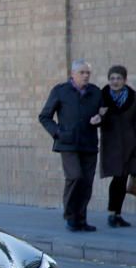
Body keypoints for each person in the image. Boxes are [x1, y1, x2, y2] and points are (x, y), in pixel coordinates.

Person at [39, 60, 104, 232]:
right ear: (73, 74)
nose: (85, 76)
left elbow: (104, 113)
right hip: (68, 143)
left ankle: (81, 219)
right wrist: (58, 133)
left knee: (87, 183)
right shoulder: (60, 91)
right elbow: (44, 116)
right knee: (75, 177)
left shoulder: (95, 92)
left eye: (88, 73)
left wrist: (100, 119)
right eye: (82, 72)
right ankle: (70, 216)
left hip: (89, 144)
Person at [99, 65, 136, 227]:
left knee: (124, 179)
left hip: (132, 145)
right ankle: (113, 214)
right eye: (112, 78)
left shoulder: (133, 97)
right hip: (112, 145)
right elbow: (94, 119)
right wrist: (100, 115)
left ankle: (117, 214)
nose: (115, 81)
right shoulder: (102, 97)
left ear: (125, 80)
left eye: (119, 78)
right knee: (118, 179)